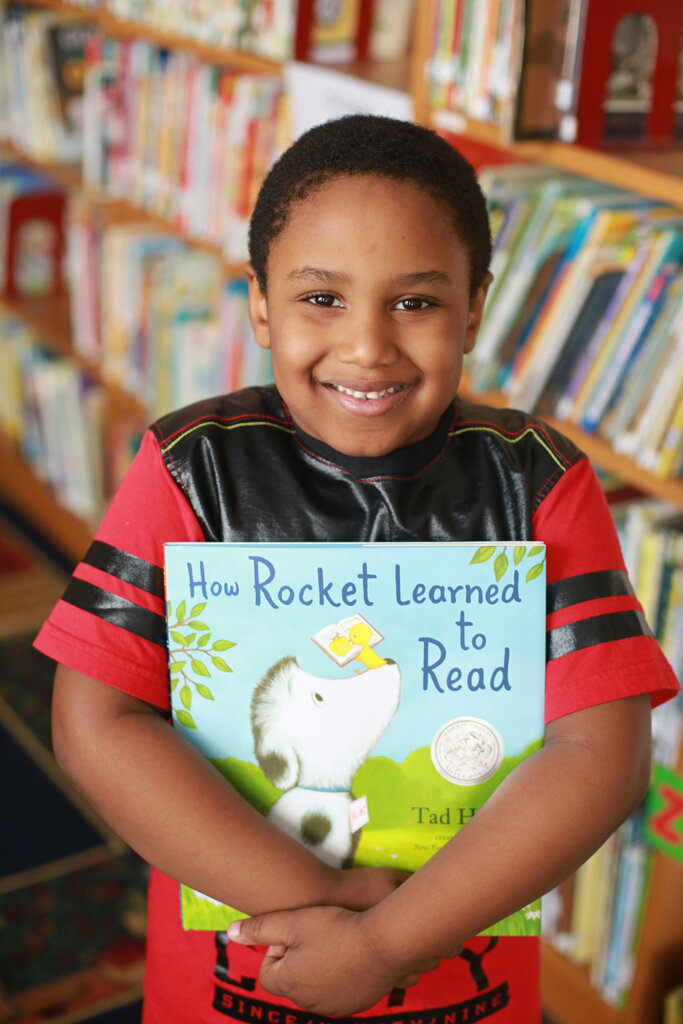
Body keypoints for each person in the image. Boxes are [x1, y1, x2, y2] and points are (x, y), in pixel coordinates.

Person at [35, 114, 679, 1024]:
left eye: (414, 301)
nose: (368, 346)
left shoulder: (535, 480)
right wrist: (338, 921)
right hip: (244, 976)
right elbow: (96, 718)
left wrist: (390, 945)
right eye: (321, 299)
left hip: (465, 983)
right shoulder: (194, 465)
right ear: (260, 302)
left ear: (474, 306)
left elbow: (598, 756)